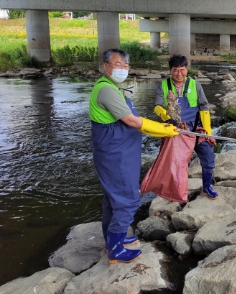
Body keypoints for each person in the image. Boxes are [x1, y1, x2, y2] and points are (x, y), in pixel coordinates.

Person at [90, 49, 178, 264]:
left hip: (121, 153)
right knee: (127, 199)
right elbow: (131, 121)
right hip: (115, 154)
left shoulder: (115, 88)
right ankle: (116, 250)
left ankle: (113, 239)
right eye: (117, 64)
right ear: (105, 66)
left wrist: (161, 127)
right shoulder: (107, 91)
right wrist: (162, 129)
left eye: (125, 65)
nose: (122, 68)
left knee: (113, 198)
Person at [154, 54, 218, 199]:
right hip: (176, 130)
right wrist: (167, 115)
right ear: (170, 70)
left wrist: (207, 128)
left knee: (208, 156)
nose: (179, 74)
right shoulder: (163, 86)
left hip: (197, 128)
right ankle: (174, 191)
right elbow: (157, 107)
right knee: (177, 162)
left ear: (187, 69)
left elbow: (204, 106)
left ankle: (207, 186)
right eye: (175, 70)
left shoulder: (195, 84)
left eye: (182, 70)